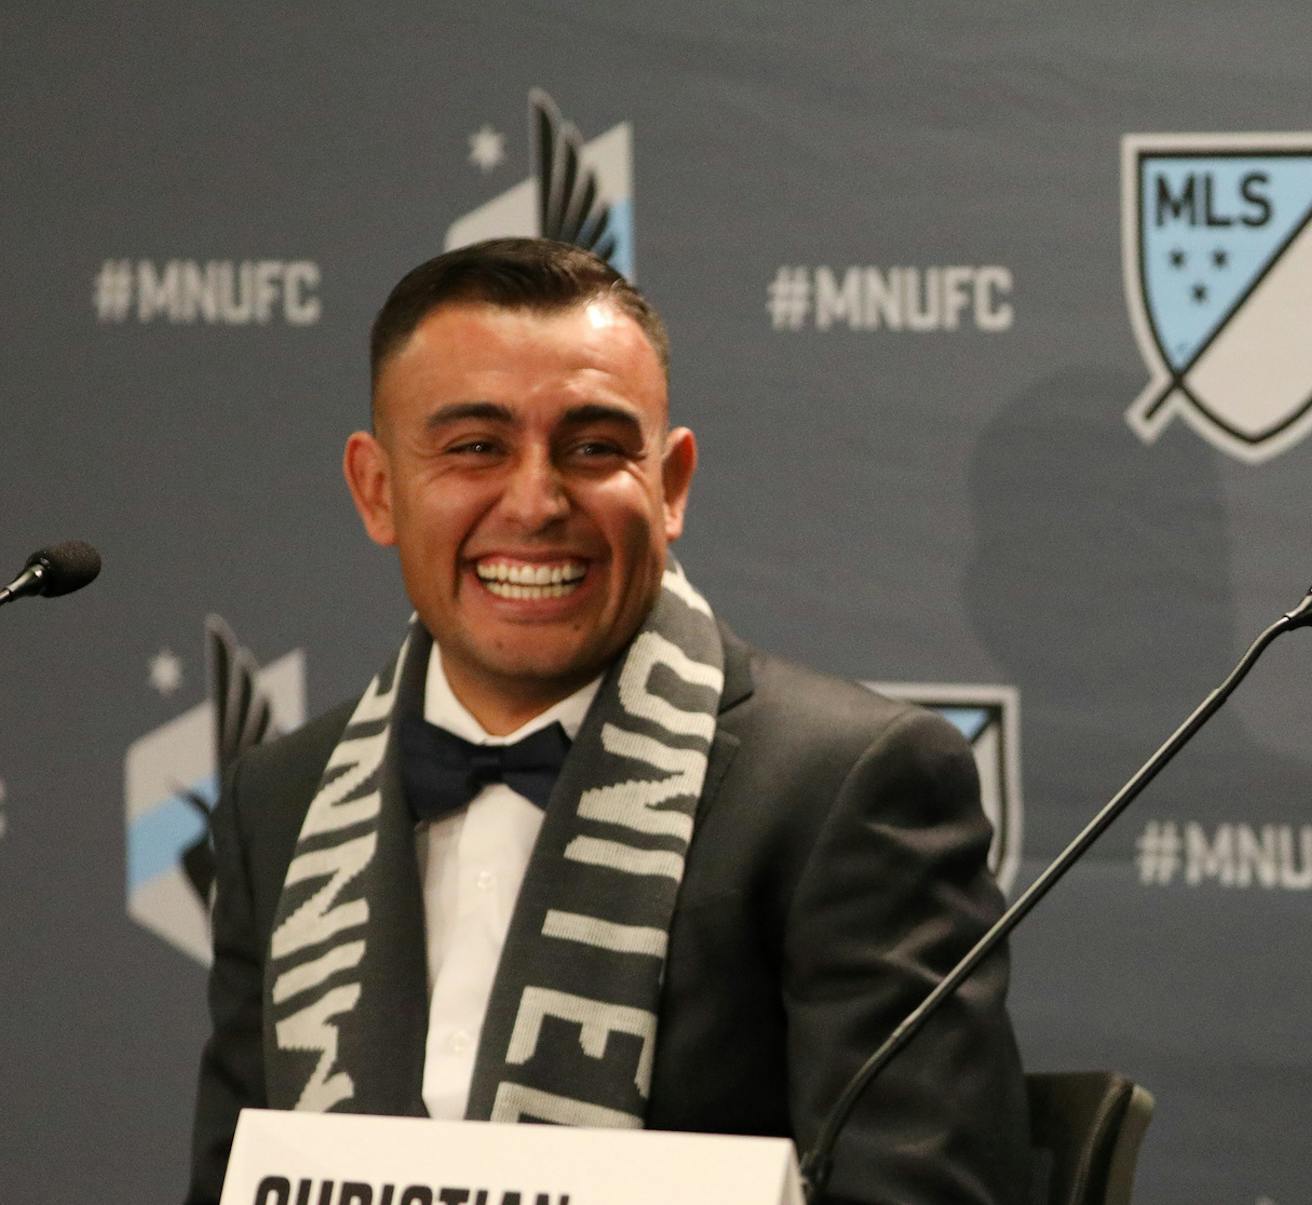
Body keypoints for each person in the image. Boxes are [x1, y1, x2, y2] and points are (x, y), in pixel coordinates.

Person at [187, 237, 1029, 1205]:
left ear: (669, 485)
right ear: (378, 488)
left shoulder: (847, 784)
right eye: (475, 447)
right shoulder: (280, 799)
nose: (538, 501)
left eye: (593, 447)